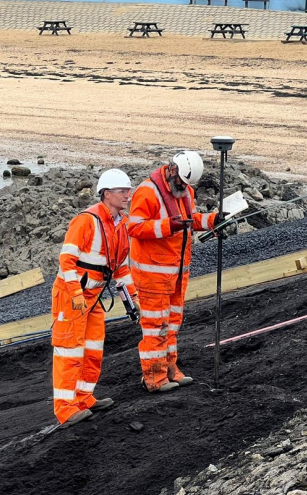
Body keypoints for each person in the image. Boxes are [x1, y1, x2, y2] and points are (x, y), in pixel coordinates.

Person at [127, 151, 224, 392]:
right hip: (153, 274)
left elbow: (190, 219)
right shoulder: (147, 192)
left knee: (172, 325)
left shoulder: (186, 191)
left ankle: (170, 369)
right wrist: (169, 226)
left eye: (187, 183)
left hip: (176, 273)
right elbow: (135, 227)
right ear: (171, 170)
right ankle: (154, 378)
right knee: (155, 327)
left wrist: (213, 220)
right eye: (181, 181)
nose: (183, 186)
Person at [51, 169, 139, 425]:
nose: (127, 195)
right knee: (69, 352)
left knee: (92, 349)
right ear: (107, 194)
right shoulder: (86, 221)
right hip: (72, 296)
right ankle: (66, 409)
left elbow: (120, 268)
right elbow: (66, 261)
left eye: (128, 190)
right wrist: (76, 294)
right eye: (123, 191)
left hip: (94, 296)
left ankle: (84, 397)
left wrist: (131, 302)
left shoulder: (121, 224)